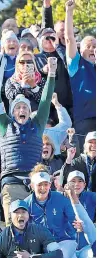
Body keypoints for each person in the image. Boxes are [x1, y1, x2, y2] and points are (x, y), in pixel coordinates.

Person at [0, 55, 57, 225]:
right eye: (18, 107)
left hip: (35, 186)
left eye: (24, 106)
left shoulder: (37, 124)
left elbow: (46, 100)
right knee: (14, 229)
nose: (21, 109)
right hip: (11, 185)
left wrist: (52, 73)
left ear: (29, 110)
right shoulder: (4, 125)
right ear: (12, 112)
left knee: (37, 229)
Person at [24, 164, 81, 258]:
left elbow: (73, 218)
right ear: (32, 185)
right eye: (39, 185)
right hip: (43, 244)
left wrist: (78, 225)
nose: (43, 188)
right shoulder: (26, 204)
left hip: (65, 240)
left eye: (46, 185)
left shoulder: (60, 198)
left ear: (50, 185)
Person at [65, 0, 96, 151]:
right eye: (88, 46)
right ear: (80, 50)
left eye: (95, 46)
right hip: (85, 120)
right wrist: (69, 12)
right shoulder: (76, 64)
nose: (92, 49)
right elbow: (70, 38)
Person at [64, 170, 95, 258]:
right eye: (73, 181)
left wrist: (89, 226)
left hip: (85, 245)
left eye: (80, 181)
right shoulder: (60, 198)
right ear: (67, 184)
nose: (76, 184)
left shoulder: (92, 197)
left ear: (85, 183)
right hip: (68, 243)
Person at [35, 26, 73, 120]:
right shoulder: (36, 58)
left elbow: (68, 62)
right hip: (46, 105)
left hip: (67, 104)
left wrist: (57, 46)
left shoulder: (62, 52)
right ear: (40, 41)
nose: (49, 40)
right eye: (46, 37)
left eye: (52, 37)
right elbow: (34, 74)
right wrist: (43, 70)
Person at [44, 92, 72, 156]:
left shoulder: (52, 132)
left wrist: (56, 104)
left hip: (55, 163)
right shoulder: (29, 133)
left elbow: (66, 123)